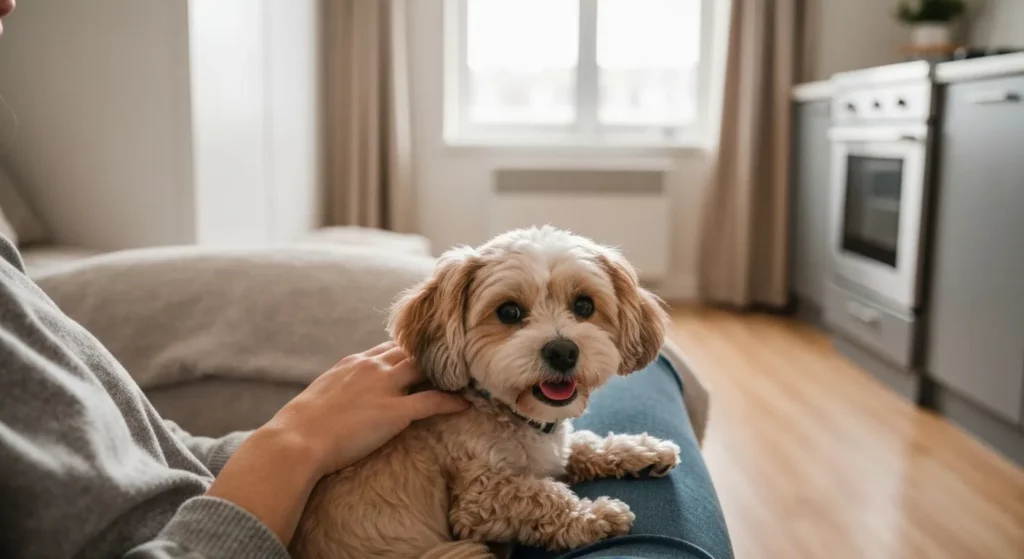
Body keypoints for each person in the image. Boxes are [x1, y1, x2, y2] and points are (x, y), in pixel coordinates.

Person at [0, 3, 732, 557]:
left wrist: (296, 434)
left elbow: (150, 456)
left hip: (232, 485)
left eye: (582, 307)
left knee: (638, 397)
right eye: (511, 312)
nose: (562, 340)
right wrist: (296, 444)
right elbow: (486, 500)